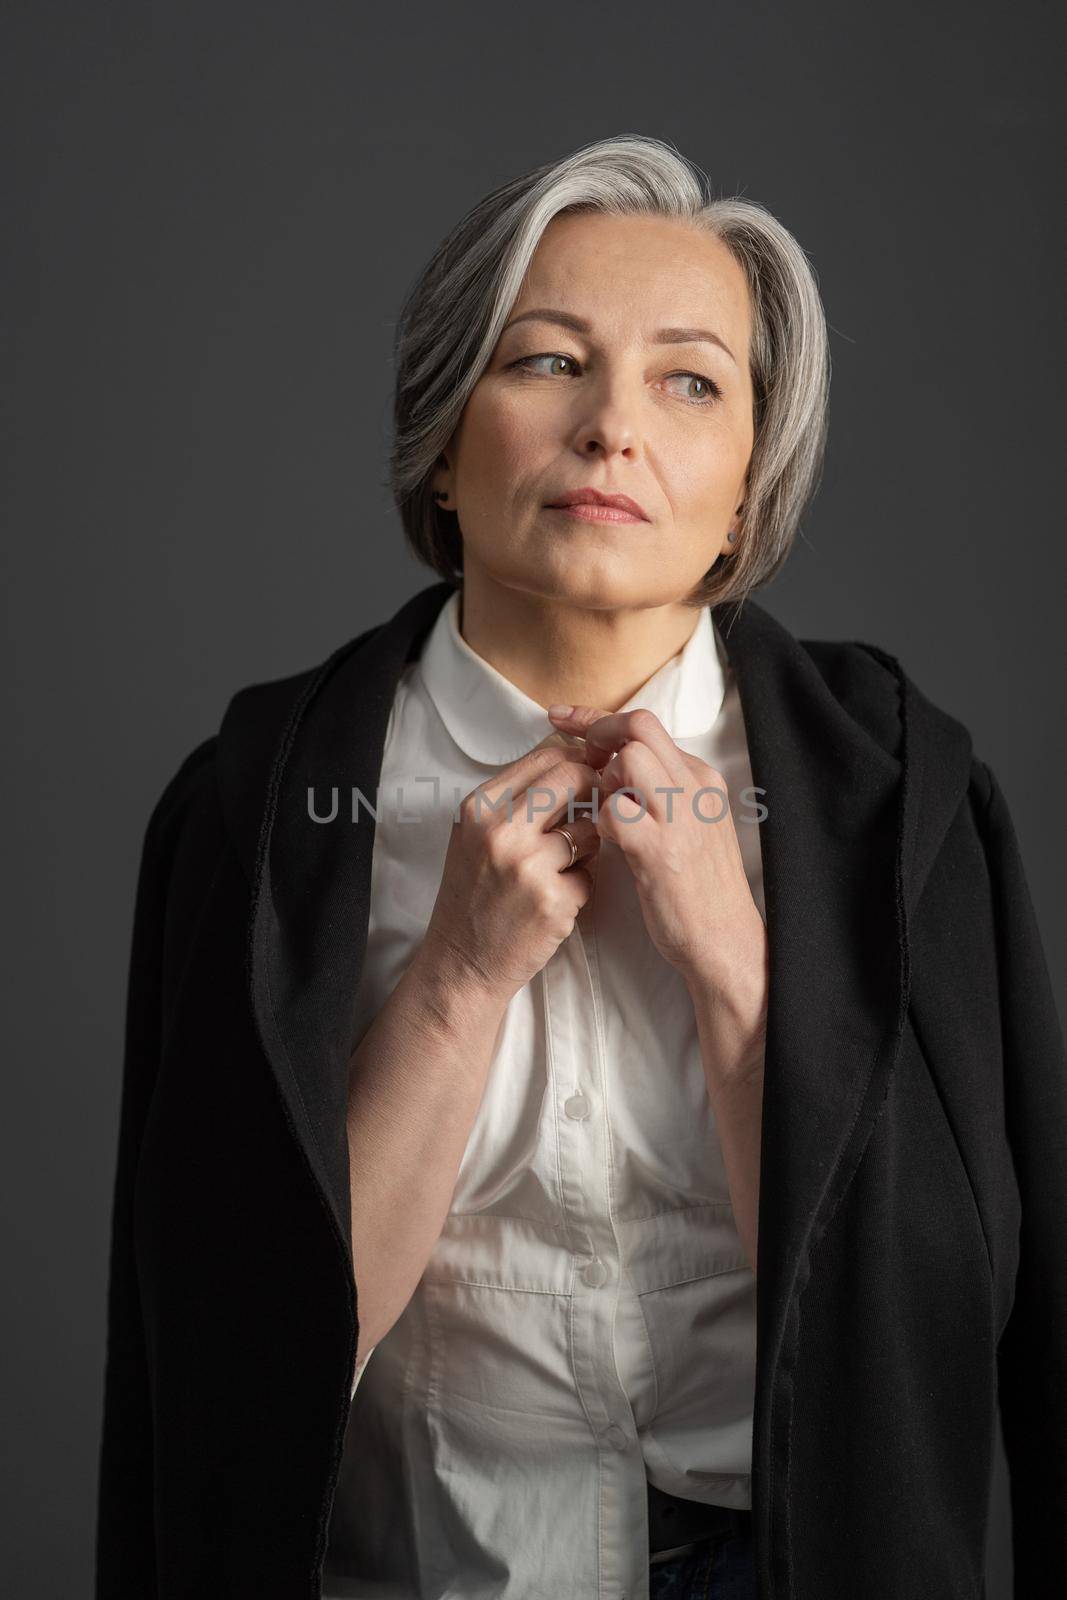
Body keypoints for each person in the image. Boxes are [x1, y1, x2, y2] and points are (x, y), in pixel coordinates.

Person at [95, 135, 1066, 1600]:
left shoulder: (907, 801)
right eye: (548, 362)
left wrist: (739, 965)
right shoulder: (256, 811)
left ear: (747, 489)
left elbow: (959, 1323)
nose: (615, 427)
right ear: (440, 434)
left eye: (692, 381)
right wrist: (454, 985)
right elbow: (220, 1369)